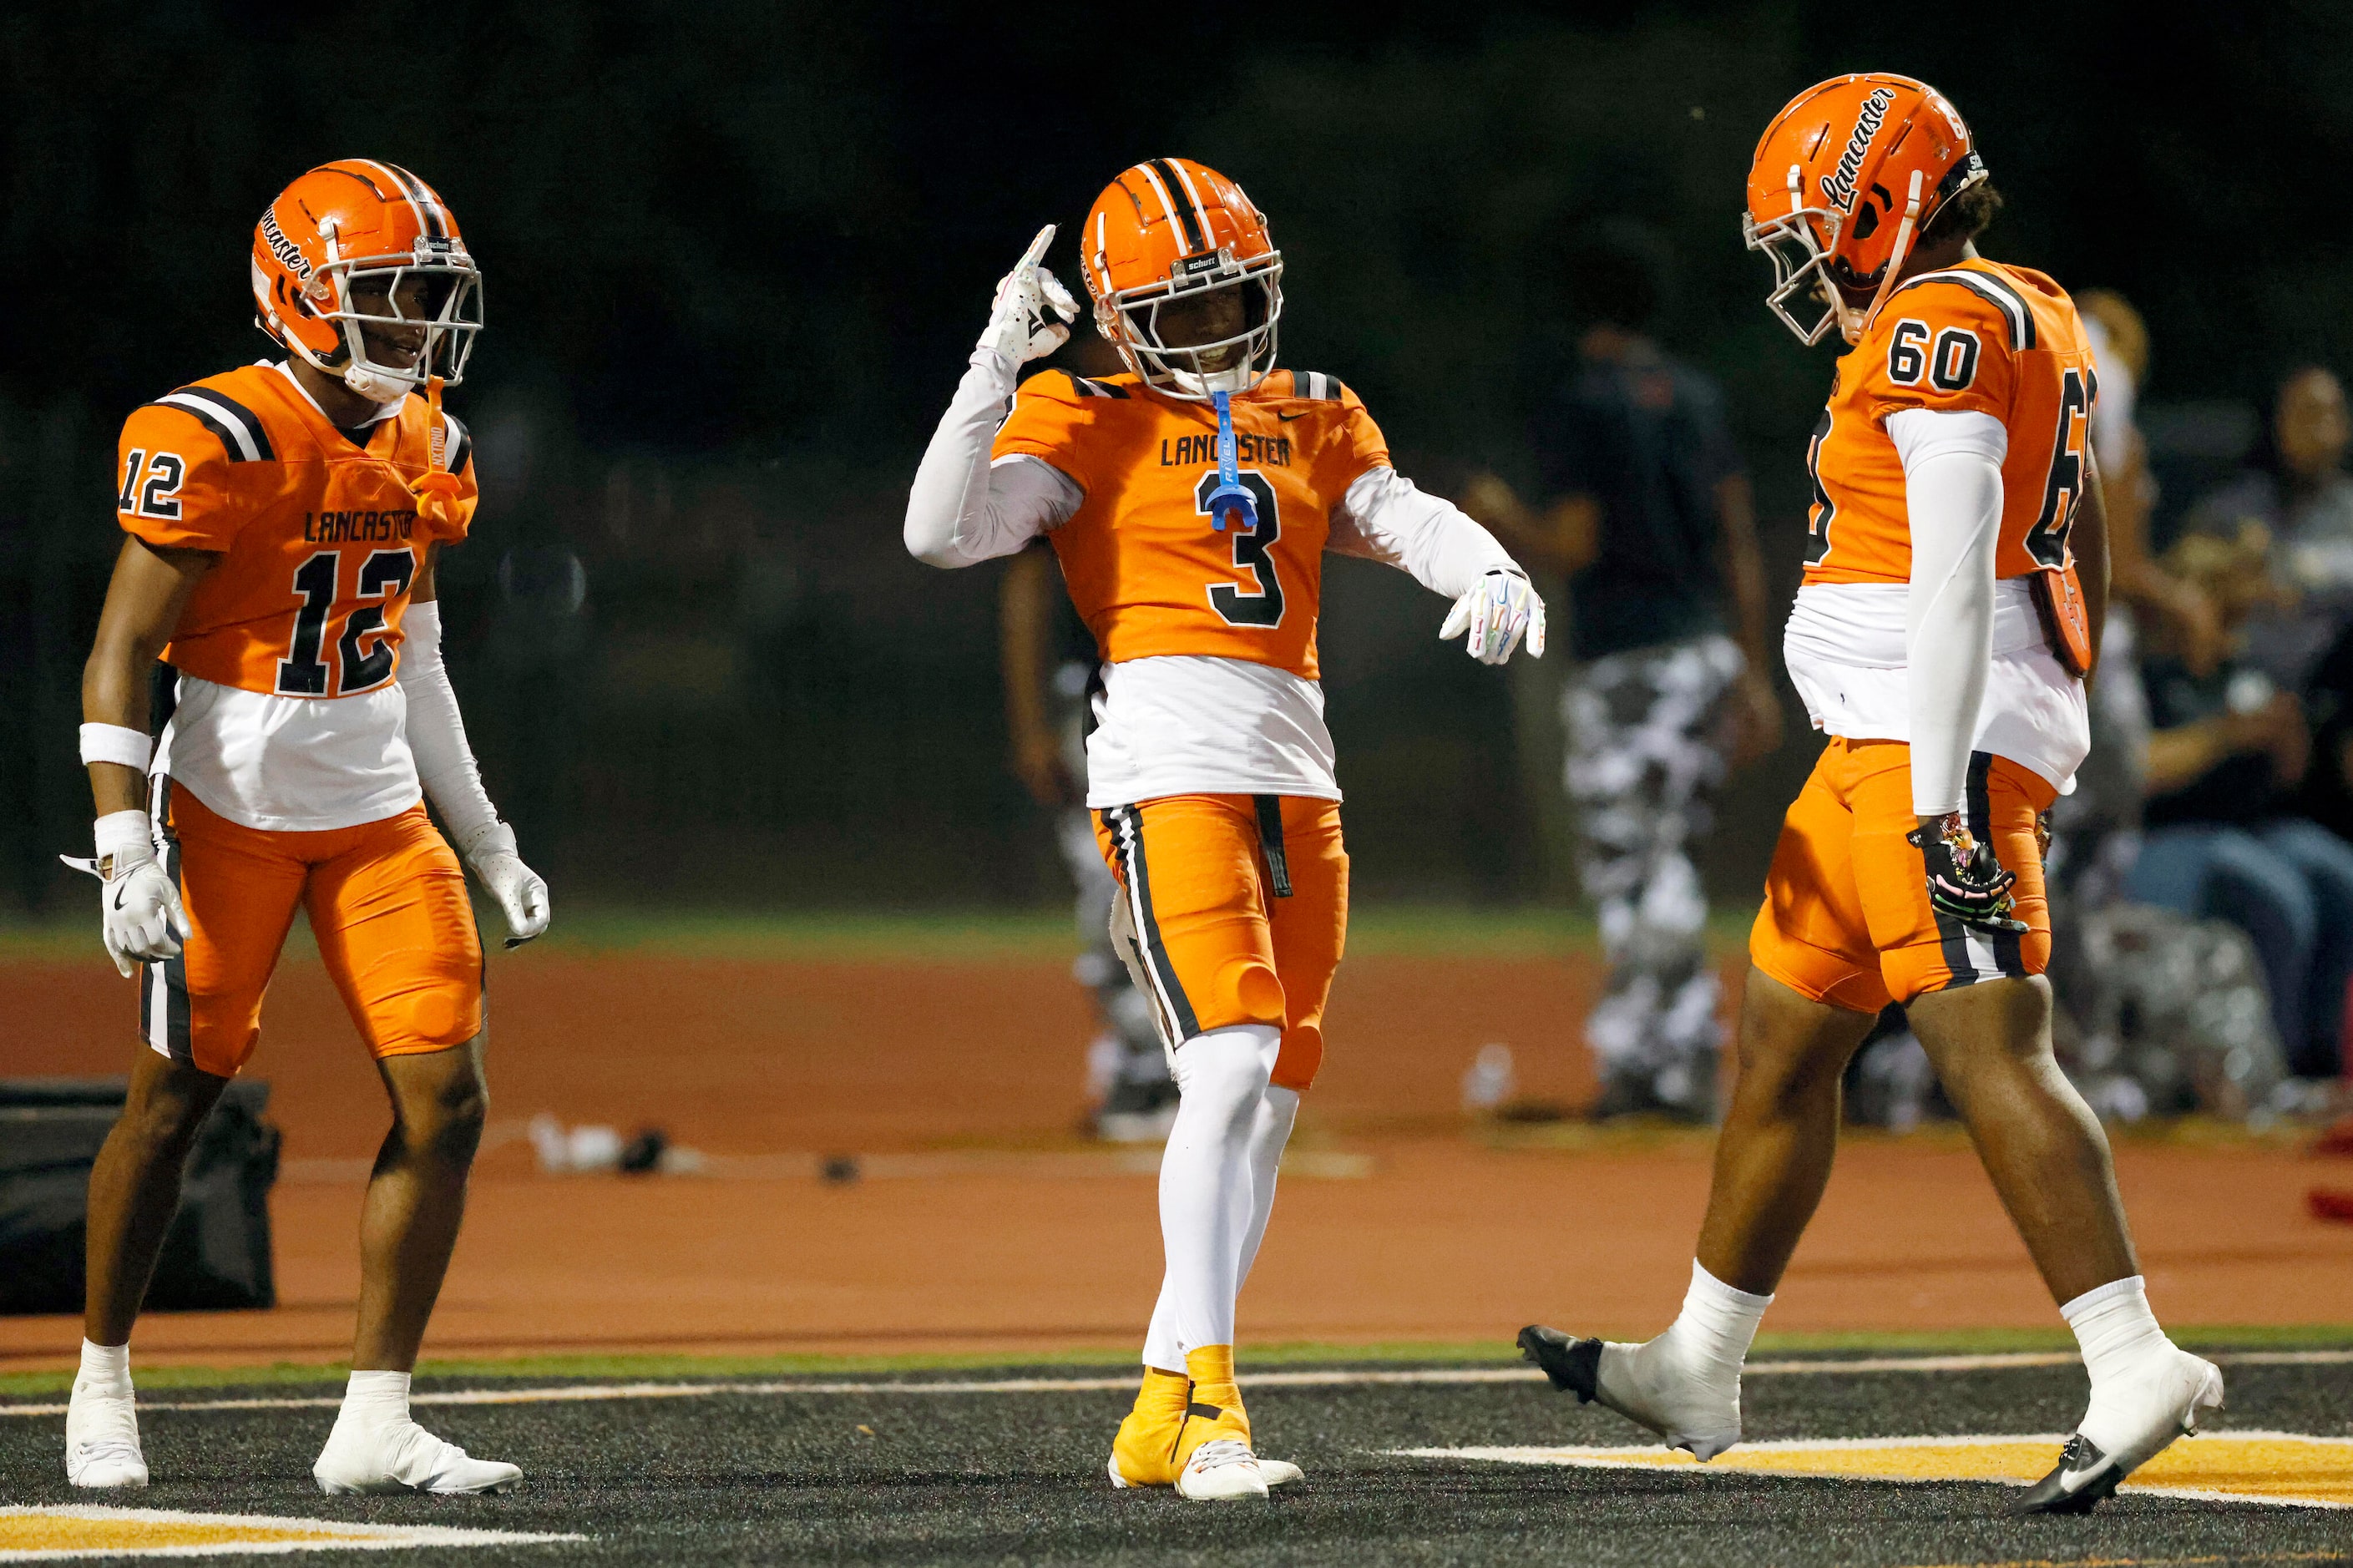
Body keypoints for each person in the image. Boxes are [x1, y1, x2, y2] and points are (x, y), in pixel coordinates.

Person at [1521, 76, 2222, 1515]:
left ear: (1875, 204)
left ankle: (2132, 1351)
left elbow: (1958, 563)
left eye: (1806, 237)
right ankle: (1700, 1360)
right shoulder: (2020, 300)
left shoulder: (1938, 321)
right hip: (1875, 747)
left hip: (1925, 747)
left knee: (1989, 1048)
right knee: (1779, 1049)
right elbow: (2057, 523)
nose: (1798, 271)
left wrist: (1952, 785)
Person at [906, 161, 1542, 1500]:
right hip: (1167, 771)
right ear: (1119, 321)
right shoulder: (1077, 412)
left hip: (1299, 781)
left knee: (1268, 1099)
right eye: (1179, 315)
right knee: (1233, 1057)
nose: (1211, 336)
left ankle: (1155, 1405)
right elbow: (939, 533)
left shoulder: (1311, 406)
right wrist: (990, 355)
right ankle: (1210, 1403)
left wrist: (1484, 558)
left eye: (1229, 303)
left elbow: (1395, 509)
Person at [63, 162, 547, 1496]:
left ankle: (375, 1415)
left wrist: (488, 835)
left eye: (426, 303)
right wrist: (125, 844)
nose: (415, 332)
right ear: (301, 296)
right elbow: (119, 660)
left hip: (379, 815)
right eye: (388, 301)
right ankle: (99, 1375)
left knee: (446, 1101)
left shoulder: (426, 441)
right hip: (226, 811)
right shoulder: (213, 432)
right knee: (173, 1107)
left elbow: (420, 653)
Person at [1461, 221, 1783, 1121]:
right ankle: (1658, 1059)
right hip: (1704, 654)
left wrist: (1494, 516)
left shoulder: (1583, 405)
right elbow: (1738, 543)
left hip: (1629, 663)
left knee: (1636, 867)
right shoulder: (1696, 399)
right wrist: (1754, 675)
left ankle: (1666, 1071)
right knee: (1664, 857)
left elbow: (1573, 544)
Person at [2127, 527, 2353, 1082]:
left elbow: (2286, 778)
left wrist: (2285, 742)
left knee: (2336, 872)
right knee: (2279, 894)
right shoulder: (2148, 670)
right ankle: (2269, 1072)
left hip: (2246, 828)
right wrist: (2226, 736)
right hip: (2161, 839)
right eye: (2209, 593)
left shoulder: (2240, 670)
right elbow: (2140, 770)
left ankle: (2319, 1061)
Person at [999, 540, 1179, 1140]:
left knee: (1182, 883)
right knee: (1113, 882)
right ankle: (1145, 1065)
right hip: (1104, 698)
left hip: (1195, 697)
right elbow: (1029, 577)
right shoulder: (1086, 452)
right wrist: (1030, 723)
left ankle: (1170, 1066)